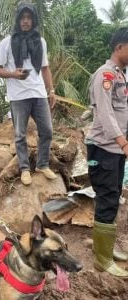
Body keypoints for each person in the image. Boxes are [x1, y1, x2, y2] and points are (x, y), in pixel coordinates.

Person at [0, 2, 57, 186]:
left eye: (29, 18)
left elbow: (45, 68)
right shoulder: (6, 42)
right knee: (20, 134)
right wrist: (14, 74)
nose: (26, 21)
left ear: (34, 20)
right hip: (18, 96)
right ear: (18, 19)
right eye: (23, 17)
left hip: (38, 93)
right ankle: (24, 169)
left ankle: (42, 164)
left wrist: (51, 90)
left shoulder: (40, 41)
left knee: (47, 131)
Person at [86, 27, 128, 278]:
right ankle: (102, 260)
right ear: (120, 47)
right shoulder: (105, 75)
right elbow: (105, 113)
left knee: (113, 198)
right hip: (104, 148)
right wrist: (123, 143)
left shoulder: (120, 75)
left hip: (115, 148)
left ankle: (107, 249)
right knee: (107, 197)